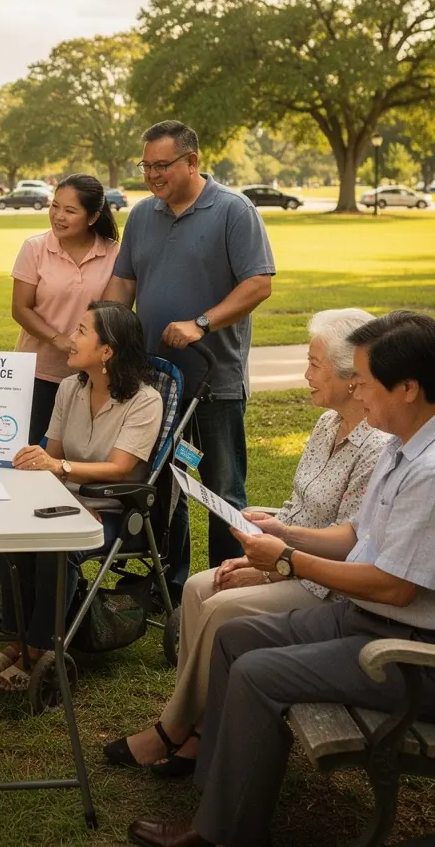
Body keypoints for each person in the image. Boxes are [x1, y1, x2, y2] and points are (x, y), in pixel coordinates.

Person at [127, 310, 435, 847]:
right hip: (367, 620)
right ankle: (218, 798)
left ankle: (224, 832)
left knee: (257, 672)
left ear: (408, 388)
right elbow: (352, 534)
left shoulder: (428, 471)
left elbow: (394, 587)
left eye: (364, 382)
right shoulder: (401, 446)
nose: (357, 392)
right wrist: (285, 537)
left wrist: (286, 560)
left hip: (403, 651)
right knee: (234, 639)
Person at [105, 308, 389, 776]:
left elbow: (352, 543)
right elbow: (304, 506)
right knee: (198, 587)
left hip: (327, 583)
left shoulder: (376, 447)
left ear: (351, 377)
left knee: (220, 606)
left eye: (315, 364)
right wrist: (273, 521)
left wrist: (272, 564)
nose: (306, 373)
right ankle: (197, 728)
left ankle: (175, 731)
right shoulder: (324, 426)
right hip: (291, 556)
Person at [104, 120, 276, 597]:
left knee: (223, 489)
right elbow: (123, 285)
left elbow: (258, 283)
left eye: (162, 165)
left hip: (214, 380)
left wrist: (201, 323)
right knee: (164, 482)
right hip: (157, 381)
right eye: (147, 165)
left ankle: (226, 589)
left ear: (192, 161)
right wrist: (105, 328)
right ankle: (172, 585)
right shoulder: (142, 215)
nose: (152, 175)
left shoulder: (233, 211)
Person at [0, 301, 164, 691]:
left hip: (114, 509)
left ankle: (37, 647)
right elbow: (54, 451)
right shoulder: (69, 388)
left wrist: (59, 470)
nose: (71, 339)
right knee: (14, 538)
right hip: (66, 501)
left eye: (82, 331)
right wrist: (42, 464)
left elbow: (119, 468)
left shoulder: (145, 401)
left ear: (107, 352)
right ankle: (17, 637)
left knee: (55, 548)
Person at [12, 174, 120, 445]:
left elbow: (111, 315)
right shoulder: (34, 248)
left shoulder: (114, 253)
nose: (58, 216)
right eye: (55, 206)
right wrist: (58, 339)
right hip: (37, 373)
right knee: (32, 451)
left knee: (77, 452)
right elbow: (20, 309)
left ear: (93, 217)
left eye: (70, 211)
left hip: (90, 377)